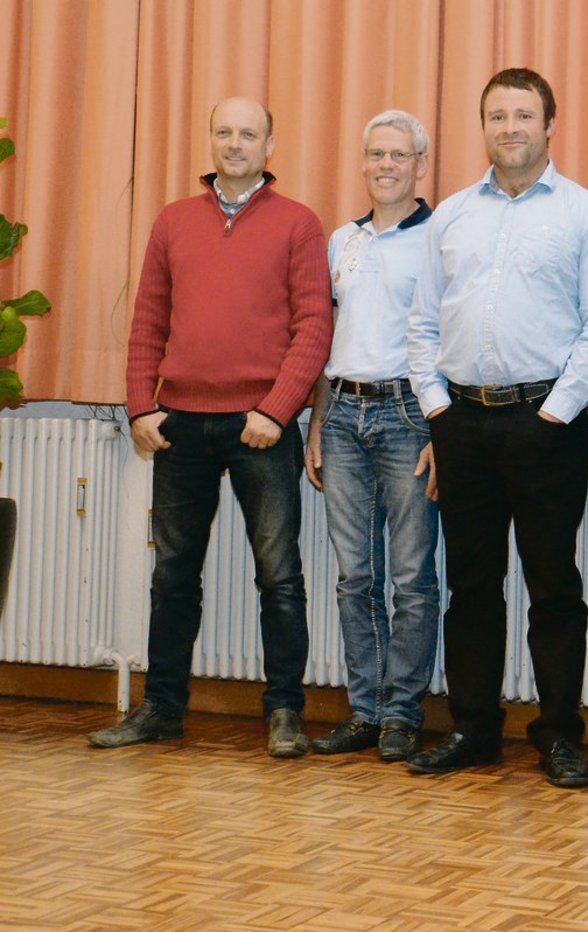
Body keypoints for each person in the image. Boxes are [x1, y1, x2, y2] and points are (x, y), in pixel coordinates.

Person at [89, 97, 332, 757]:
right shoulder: (173, 222)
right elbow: (147, 323)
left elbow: (314, 328)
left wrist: (275, 410)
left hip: (261, 426)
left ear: (269, 146)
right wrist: (142, 407)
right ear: (210, 141)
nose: (234, 143)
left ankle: (284, 711)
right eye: (224, 132)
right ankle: (163, 709)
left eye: (248, 133)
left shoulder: (298, 225)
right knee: (172, 574)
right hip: (182, 425)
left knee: (279, 575)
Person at [405, 68, 588, 788]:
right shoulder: (450, 217)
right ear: (485, 128)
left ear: (549, 125)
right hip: (461, 422)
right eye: (497, 116)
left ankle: (559, 734)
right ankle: (473, 729)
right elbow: (421, 322)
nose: (510, 128)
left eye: (523, 115)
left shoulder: (586, 214)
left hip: (547, 426)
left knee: (553, 587)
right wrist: (437, 408)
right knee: (469, 585)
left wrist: (555, 413)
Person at [305, 110, 439, 763]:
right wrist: (314, 425)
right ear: (364, 164)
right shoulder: (340, 241)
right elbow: (324, 338)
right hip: (341, 418)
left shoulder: (440, 238)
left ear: (420, 165)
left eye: (399, 155)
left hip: (409, 418)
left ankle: (402, 715)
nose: (386, 165)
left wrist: (444, 431)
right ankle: (365, 711)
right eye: (376, 155)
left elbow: (450, 342)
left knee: (411, 578)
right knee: (355, 577)